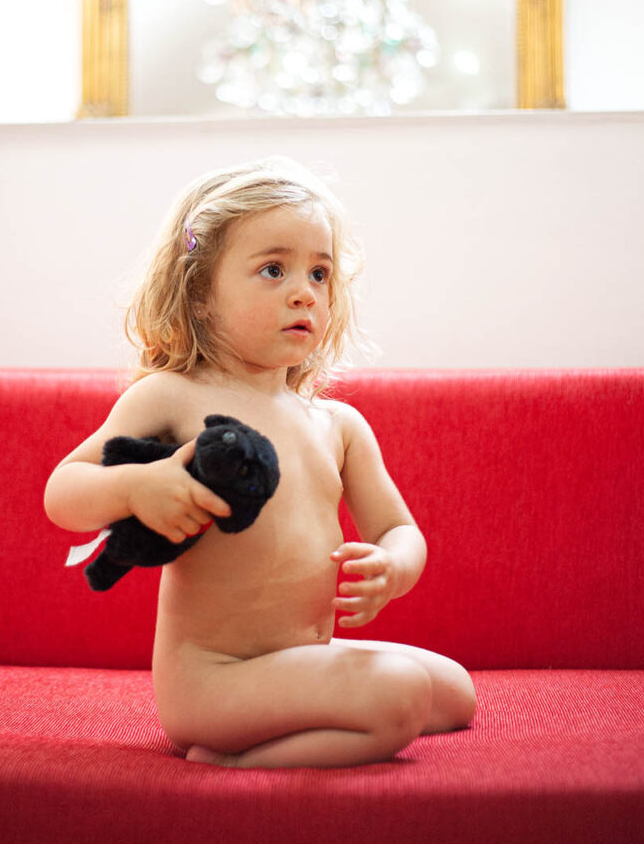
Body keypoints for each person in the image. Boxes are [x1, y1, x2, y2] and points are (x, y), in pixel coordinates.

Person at [44, 157, 476, 768]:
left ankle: (310, 722)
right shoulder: (172, 396)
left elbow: (399, 530)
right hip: (212, 681)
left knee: (455, 691)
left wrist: (393, 567)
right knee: (401, 692)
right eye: (273, 269)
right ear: (199, 295)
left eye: (320, 274)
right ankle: (232, 762)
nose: (304, 290)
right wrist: (142, 484)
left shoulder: (338, 425)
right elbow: (63, 491)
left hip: (296, 665)